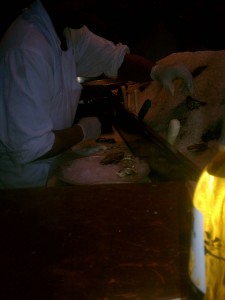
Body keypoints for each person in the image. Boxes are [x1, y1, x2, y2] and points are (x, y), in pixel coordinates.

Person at [0, 0, 193, 189]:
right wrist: (82, 131)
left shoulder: (68, 31)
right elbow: (31, 147)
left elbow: (114, 58)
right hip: (24, 188)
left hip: (52, 171)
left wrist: (156, 71)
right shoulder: (26, 49)